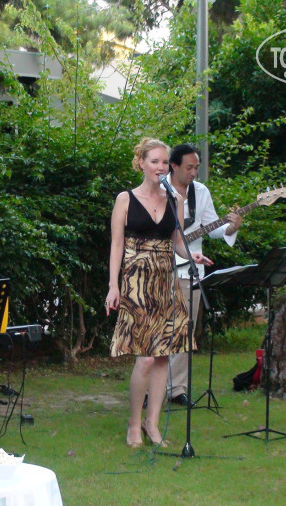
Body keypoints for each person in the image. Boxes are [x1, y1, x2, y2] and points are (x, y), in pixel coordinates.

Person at [106, 138, 213, 448]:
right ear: (141, 163)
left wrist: (192, 255)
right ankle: (134, 423)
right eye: (155, 161)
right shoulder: (125, 199)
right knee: (145, 359)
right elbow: (116, 245)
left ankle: (152, 423)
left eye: (165, 162)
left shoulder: (174, 199)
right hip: (136, 282)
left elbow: (177, 242)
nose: (161, 167)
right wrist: (113, 286)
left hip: (166, 281)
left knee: (164, 356)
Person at [165, 144, 242, 406]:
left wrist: (231, 227)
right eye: (189, 167)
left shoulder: (201, 192)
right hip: (159, 269)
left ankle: (176, 389)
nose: (194, 172)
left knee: (184, 331)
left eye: (196, 167)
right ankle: (150, 390)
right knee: (157, 330)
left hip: (190, 271)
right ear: (174, 166)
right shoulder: (159, 189)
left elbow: (213, 229)